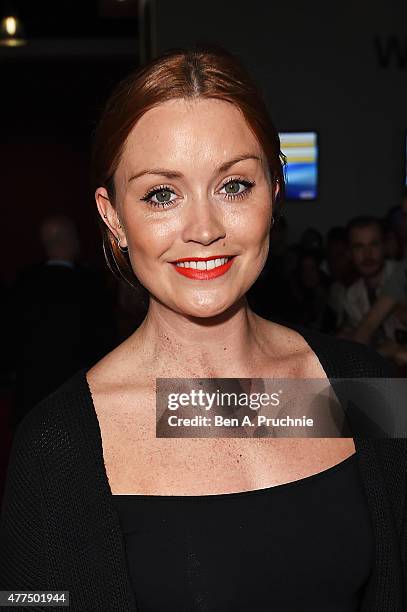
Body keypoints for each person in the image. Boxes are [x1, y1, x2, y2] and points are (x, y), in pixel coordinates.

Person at [0, 46, 406, 611]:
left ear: (275, 190)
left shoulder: (358, 385)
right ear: (113, 216)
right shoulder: (59, 446)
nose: (204, 229)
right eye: (161, 195)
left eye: (234, 185)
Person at [339, 216, 406, 347]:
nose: (367, 254)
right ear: (349, 252)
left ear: (385, 246)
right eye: (359, 247)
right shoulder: (351, 296)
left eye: (374, 244)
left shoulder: (403, 276)